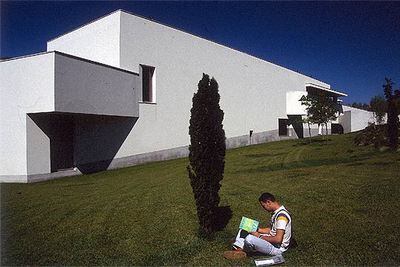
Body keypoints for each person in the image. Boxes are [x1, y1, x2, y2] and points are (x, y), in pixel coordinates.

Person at [225, 192, 293, 259]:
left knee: (249, 239)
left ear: (268, 202)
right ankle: (239, 249)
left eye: (264, 206)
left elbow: (278, 239)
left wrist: (259, 236)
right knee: (244, 229)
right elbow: (272, 230)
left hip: (277, 248)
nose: (264, 209)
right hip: (272, 240)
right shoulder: (277, 213)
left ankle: (242, 251)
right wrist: (257, 229)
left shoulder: (282, 217)